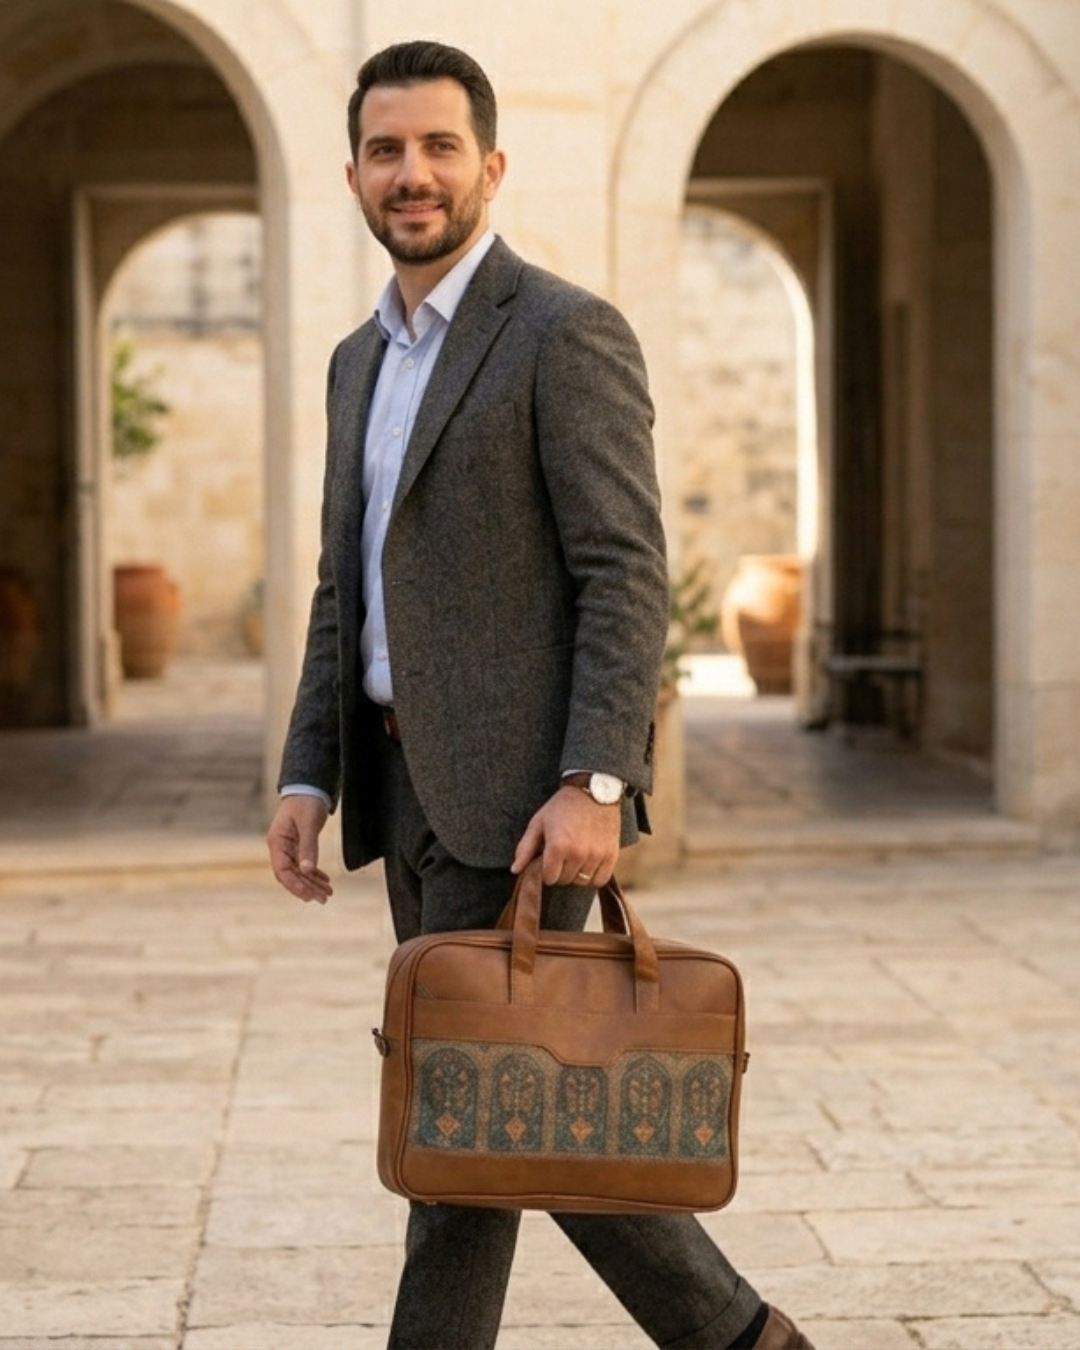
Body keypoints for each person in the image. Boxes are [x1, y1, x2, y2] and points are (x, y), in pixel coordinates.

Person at [267, 38, 815, 1350]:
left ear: (491, 165)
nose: (414, 173)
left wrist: (598, 781)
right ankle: (745, 1340)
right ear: (353, 171)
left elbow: (626, 571)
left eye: (441, 146)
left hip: (521, 798)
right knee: (498, 1113)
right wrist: (308, 770)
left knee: (461, 1130)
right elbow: (348, 587)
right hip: (404, 791)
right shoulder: (357, 361)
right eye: (389, 149)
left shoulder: (564, 334)